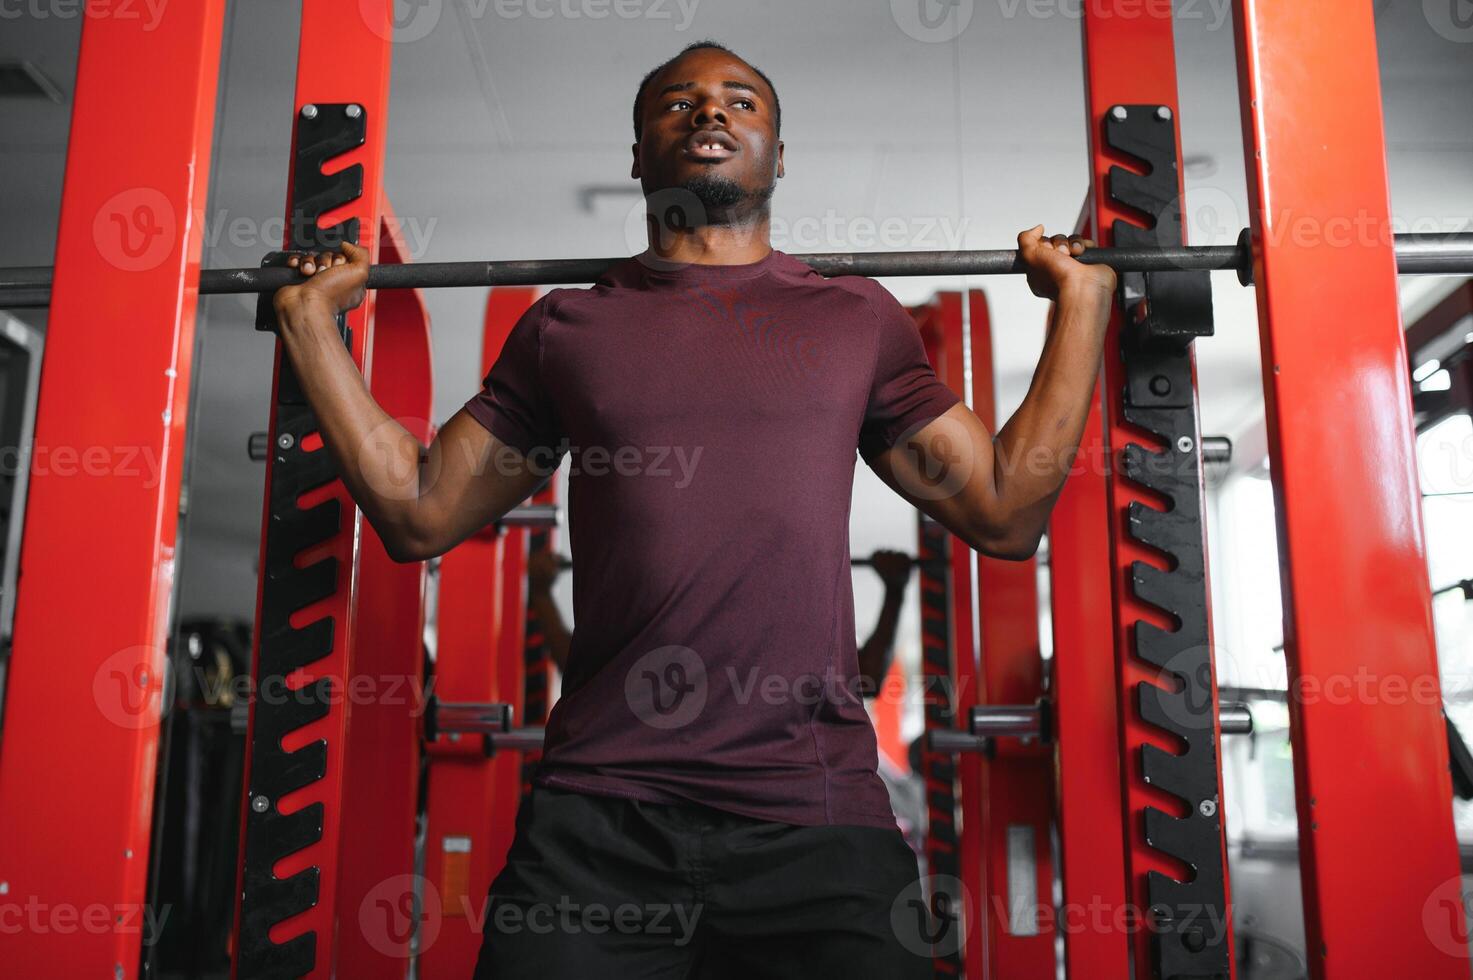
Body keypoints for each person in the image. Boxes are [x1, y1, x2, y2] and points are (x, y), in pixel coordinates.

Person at [268, 39, 1114, 980]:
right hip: (599, 820)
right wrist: (309, 325)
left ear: (778, 153)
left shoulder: (851, 318)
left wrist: (1079, 307)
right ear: (637, 154)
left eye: (739, 102)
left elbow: (1004, 511)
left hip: (816, 816)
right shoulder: (565, 329)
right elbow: (418, 512)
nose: (709, 113)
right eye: (678, 102)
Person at [527, 547, 913, 697]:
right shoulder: (668, 624)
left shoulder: (781, 639)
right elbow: (583, 672)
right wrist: (542, 596)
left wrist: (895, 594)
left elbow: (868, 679)